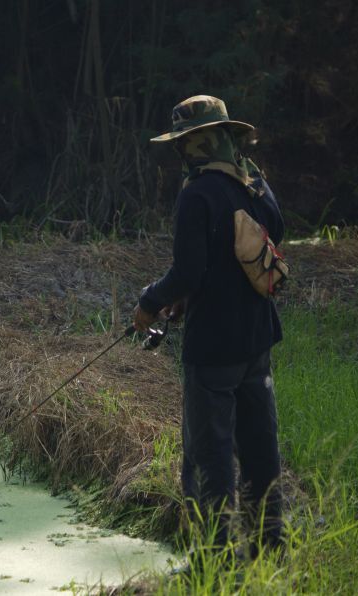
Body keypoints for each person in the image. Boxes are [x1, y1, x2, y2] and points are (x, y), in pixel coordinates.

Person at [133, 95, 285, 565]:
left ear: (196, 142)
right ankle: (269, 551)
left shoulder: (196, 194)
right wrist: (185, 295)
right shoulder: (255, 184)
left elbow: (188, 273)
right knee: (261, 451)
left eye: (185, 143)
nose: (182, 152)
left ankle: (214, 562)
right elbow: (273, 234)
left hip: (213, 350)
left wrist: (149, 303)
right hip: (257, 339)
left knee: (208, 456)